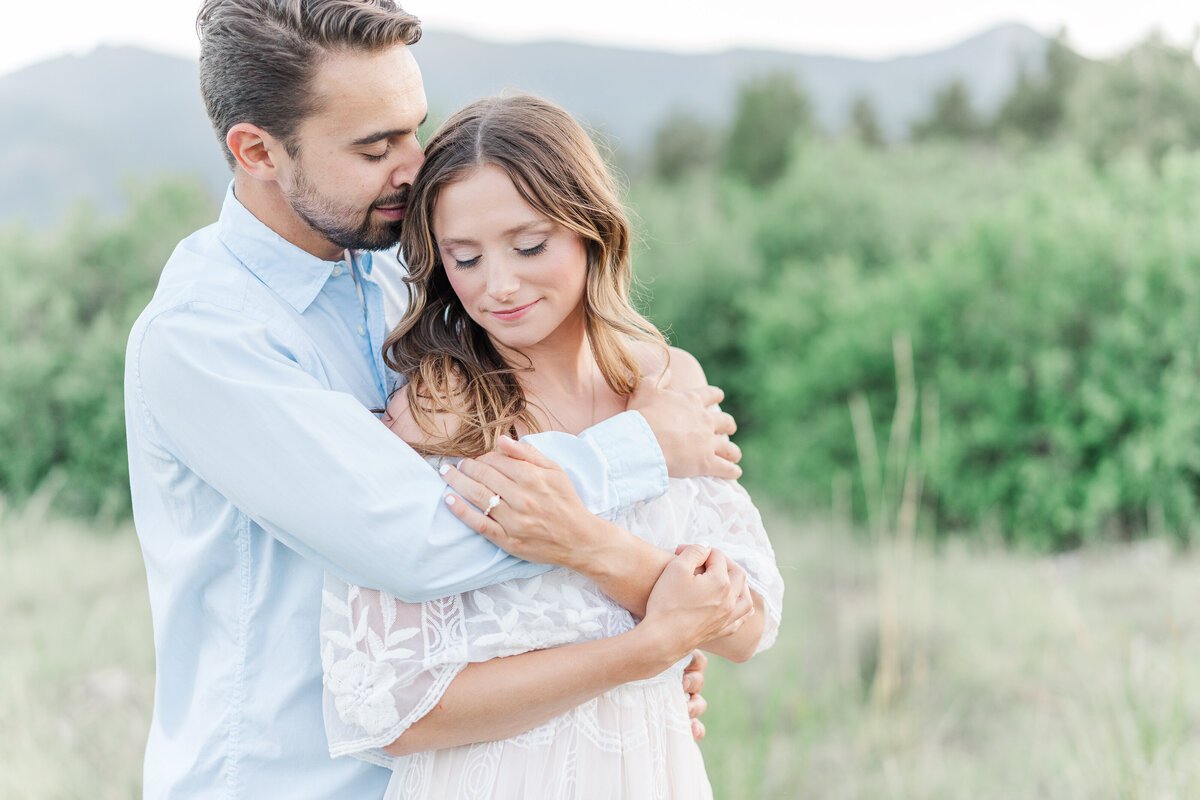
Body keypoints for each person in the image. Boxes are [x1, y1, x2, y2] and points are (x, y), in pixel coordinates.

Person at [123, 1, 741, 798]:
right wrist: (643, 451)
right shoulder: (204, 338)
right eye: (374, 146)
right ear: (257, 151)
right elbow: (418, 543)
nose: (414, 166)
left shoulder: (405, 276)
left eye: (414, 128)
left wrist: (643, 638)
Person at [319, 94, 784, 798]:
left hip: (649, 774)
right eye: (464, 258)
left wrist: (587, 547)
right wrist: (645, 649)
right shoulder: (437, 415)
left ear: (590, 228)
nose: (498, 286)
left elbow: (746, 626)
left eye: (529, 246)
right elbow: (394, 708)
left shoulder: (665, 384)